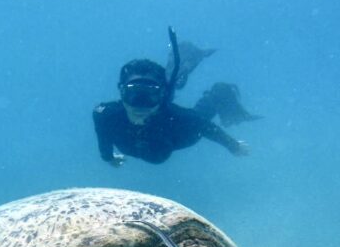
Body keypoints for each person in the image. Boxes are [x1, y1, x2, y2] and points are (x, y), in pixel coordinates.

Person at [93, 29, 260, 166]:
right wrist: (108, 158)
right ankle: (180, 68)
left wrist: (233, 146)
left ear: (160, 95)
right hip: (166, 122)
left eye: (150, 94)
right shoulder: (105, 115)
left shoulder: (184, 121)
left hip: (178, 133)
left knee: (200, 112)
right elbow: (103, 140)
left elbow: (206, 126)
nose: (140, 104)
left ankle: (215, 93)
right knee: (170, 84)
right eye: (133, 93)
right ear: (121, 92)